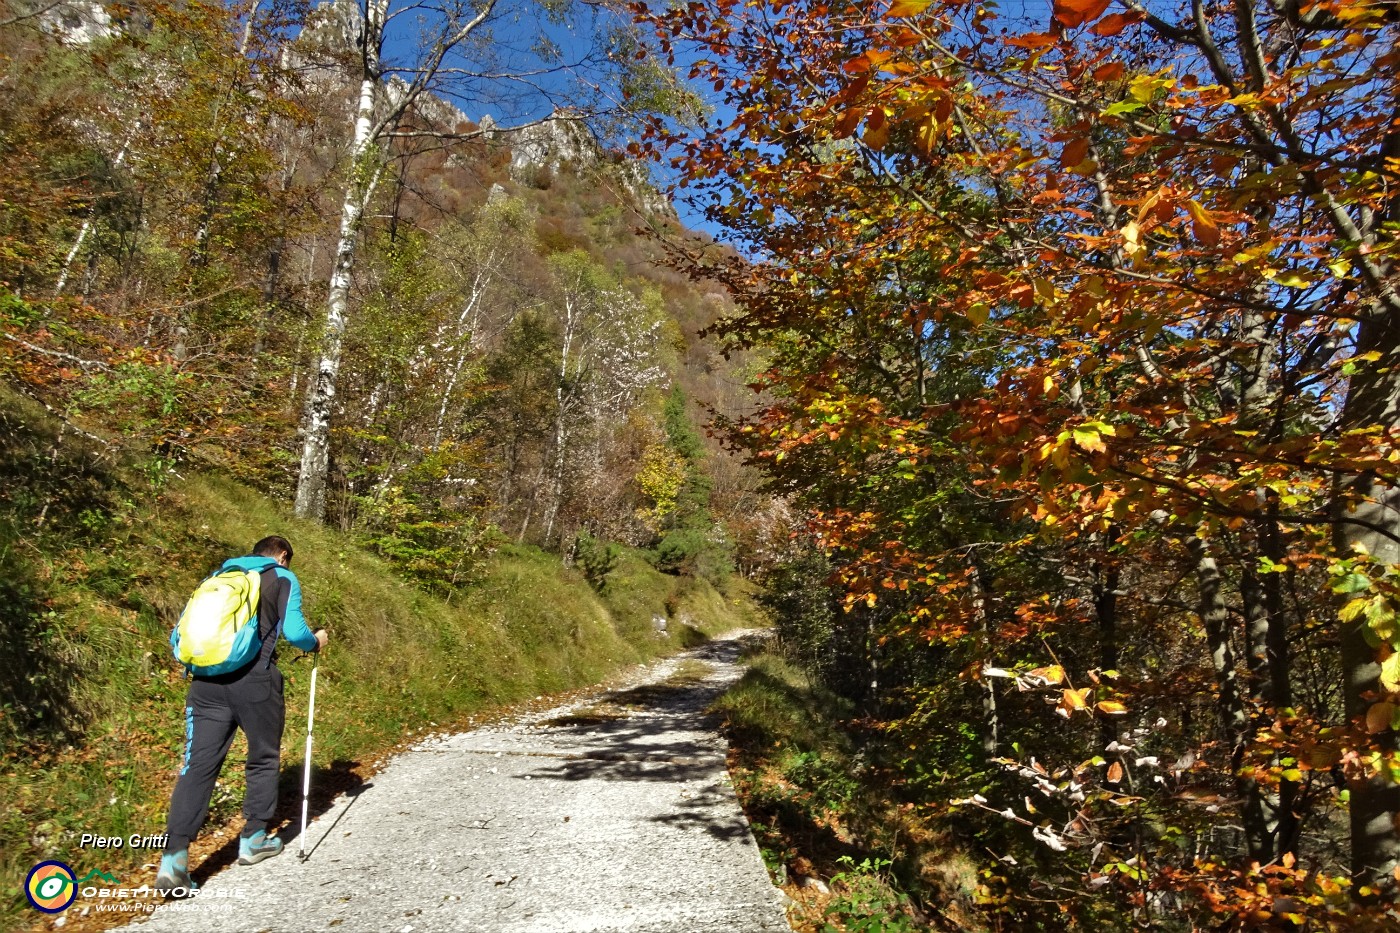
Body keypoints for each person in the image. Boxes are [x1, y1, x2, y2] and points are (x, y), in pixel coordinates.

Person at [155, 535, 328, 895]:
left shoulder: (219, 575)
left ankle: (173, 861)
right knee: (263, 756)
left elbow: (181, 633)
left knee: (197, 766)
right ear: (282, 555)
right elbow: (296, 632)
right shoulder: (282, 577)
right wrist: (317, 641)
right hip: (255, 682)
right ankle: (253, 840)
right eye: (288, 560)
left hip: (204, 682)